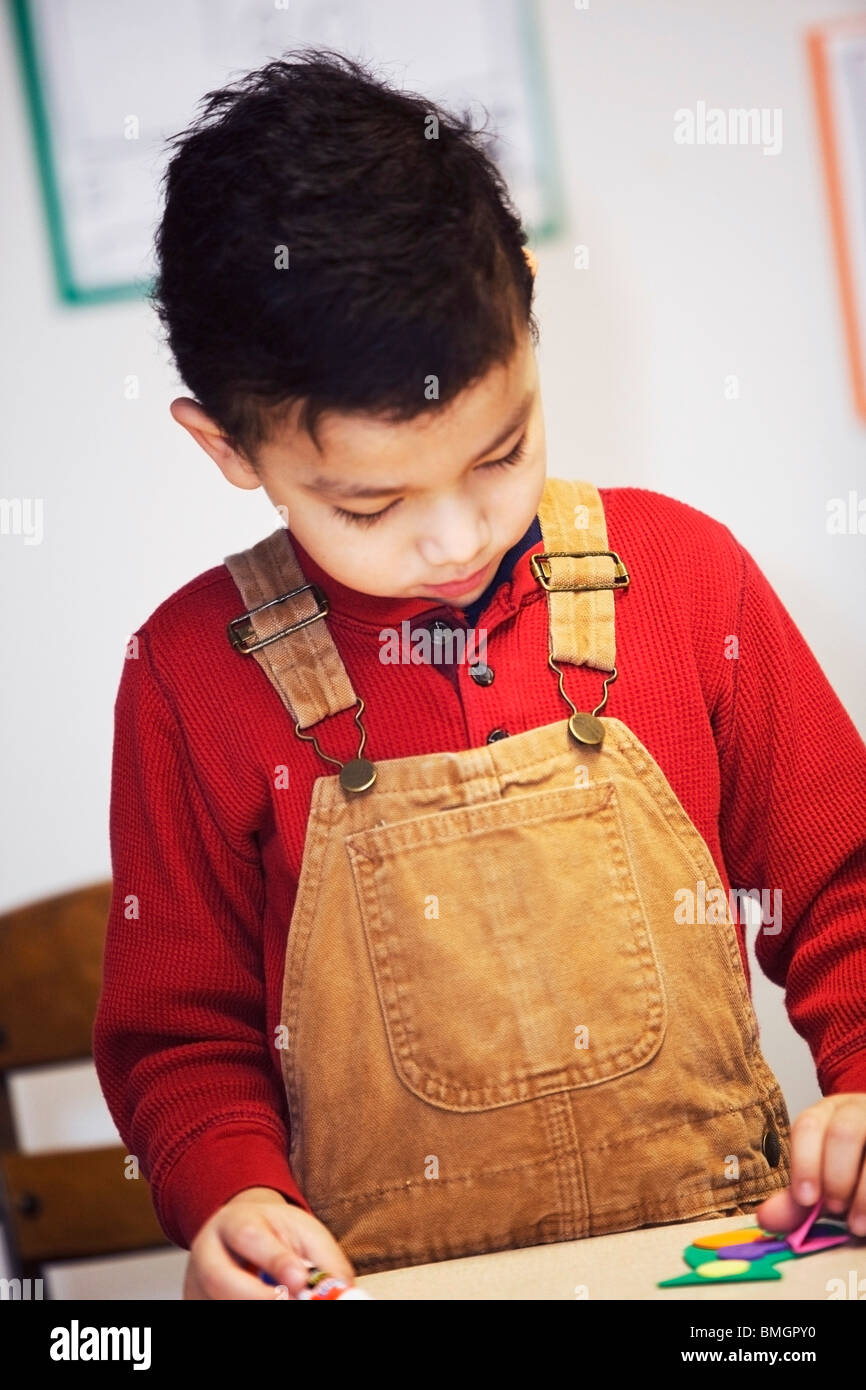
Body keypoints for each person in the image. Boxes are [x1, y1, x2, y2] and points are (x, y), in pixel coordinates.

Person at [93, 49, 866, 1301]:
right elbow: (182, 1036)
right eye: (371, 504)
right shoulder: (190, 677)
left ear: (528, 324)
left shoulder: (680, 578)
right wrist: (229, 1193)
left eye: (499, 453)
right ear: (227, 445)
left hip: (711, 1281)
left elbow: (843, 884)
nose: (454, 540)